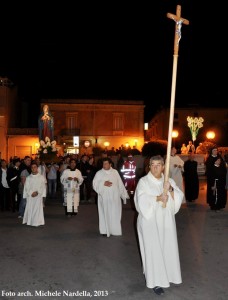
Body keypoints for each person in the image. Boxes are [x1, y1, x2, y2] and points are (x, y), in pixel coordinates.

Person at [134, 155, 183, 296]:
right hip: (150, 222)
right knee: (153, 251)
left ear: (163, 167)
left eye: (158, 165)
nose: (155, 168)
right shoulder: (144, 182)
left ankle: (167, 276)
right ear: (149, 166)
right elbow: (140, 200)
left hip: (166, 222)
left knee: (166, 248)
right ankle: (155, 281)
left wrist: (171, 190)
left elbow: (178, 198)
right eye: (152, 165)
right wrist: (157, 198)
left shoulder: (169, 181)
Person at [92, 157, 129, 237]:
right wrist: (103, 183)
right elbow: (94, 184)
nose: (104, 165)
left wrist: (123, 194)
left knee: (115, 213)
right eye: (103, 163)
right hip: (104, 198)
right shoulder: (99, 173)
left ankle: (114, 230)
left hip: (115, 197)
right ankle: (105, 230)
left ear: (110, 164)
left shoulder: (115, 172)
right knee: (104, 213)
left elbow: (120, 183)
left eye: (106, 163)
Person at [22, 161, 46, 227]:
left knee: (37, 209)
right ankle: (30, 221)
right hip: (30, 196)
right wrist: (31, 193)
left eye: (35, 167)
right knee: (30, 208)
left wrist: (37, 192)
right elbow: (26, 187)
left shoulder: (41, 177)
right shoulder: (28, 178)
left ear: (37, 168)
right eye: (32, 167)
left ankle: (37, 222)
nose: (33, 168)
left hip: (38, 196)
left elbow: (42, 187)